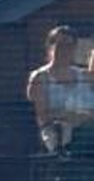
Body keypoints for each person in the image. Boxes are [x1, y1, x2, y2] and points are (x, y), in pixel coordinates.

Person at [28, 24, 94, 154]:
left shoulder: (85, 76)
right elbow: (42, 116)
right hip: (58, 134)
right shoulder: (40, 77)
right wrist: (69, 116)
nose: (65, 49)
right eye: (60, 44)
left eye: (69, 45)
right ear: (50, 47)